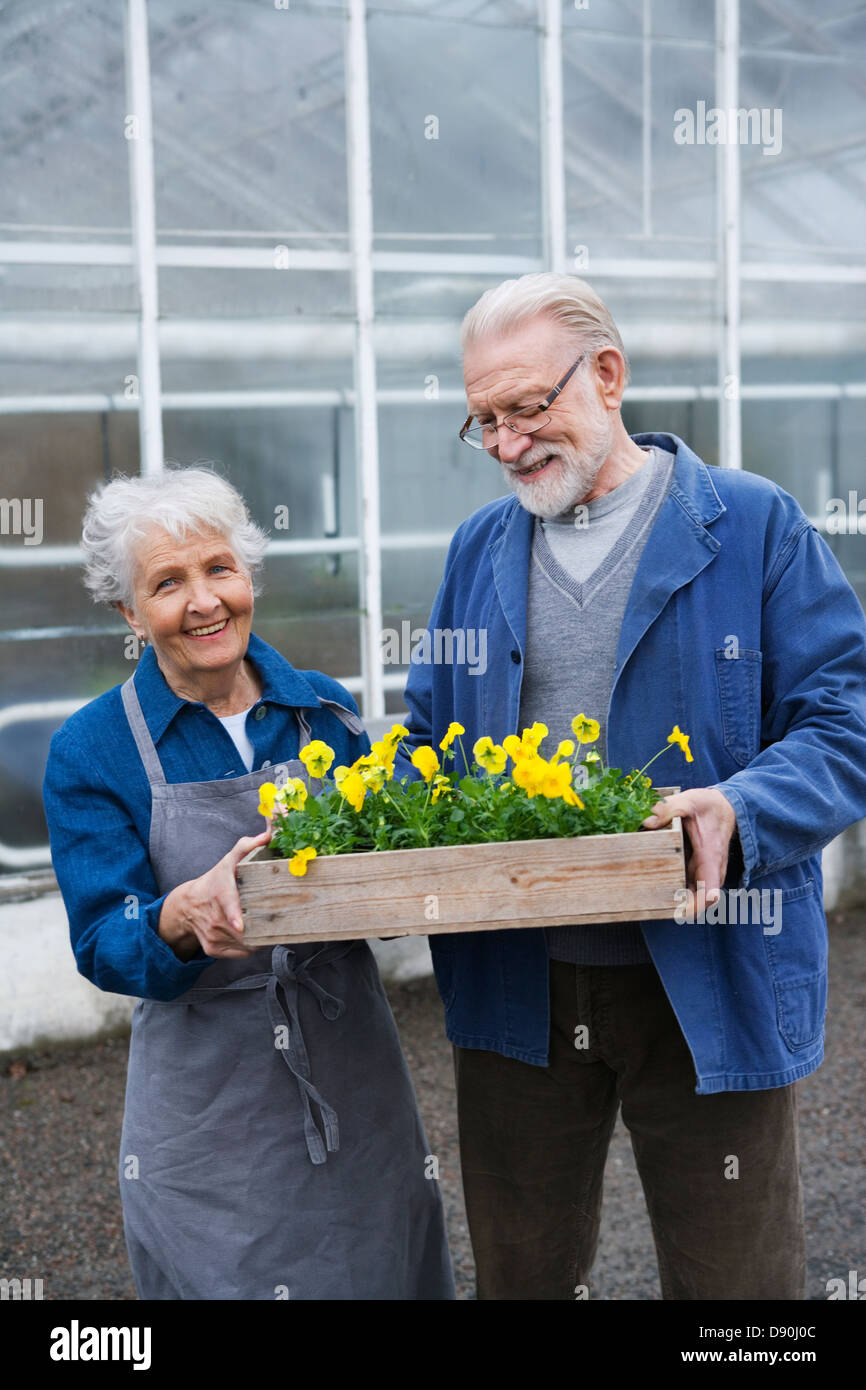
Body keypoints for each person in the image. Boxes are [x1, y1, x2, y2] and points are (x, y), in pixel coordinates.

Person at [393, 271, 866, 1301]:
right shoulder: (480, 548)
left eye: (526, 407)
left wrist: (742, 809)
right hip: (516, 974)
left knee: (735, 1286)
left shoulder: (750, 525)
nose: (508, 444)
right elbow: (424, 736)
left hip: (708, 968)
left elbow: (844, 720)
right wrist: (337, 829)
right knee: (521, 1273)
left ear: (605, 375)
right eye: (483, 422)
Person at [42, 466, 455, 1302]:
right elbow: (101, 939)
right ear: (130, 613)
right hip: (209, 1097)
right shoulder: (93, 750)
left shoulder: (321, 713)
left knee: (381, 1267)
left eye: (219, 569)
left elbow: (380, 869)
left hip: (351, 1066)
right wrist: (176, 918)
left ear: (247, 576)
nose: (204, 602)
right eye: (167, 583)